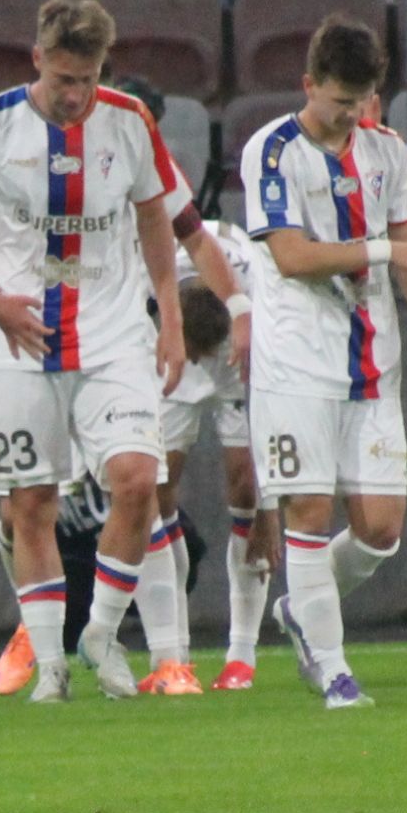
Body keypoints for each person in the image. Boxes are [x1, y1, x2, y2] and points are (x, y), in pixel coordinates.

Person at [0, 0, 186, 703]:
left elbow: (155, 215)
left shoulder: (130, 121)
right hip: (22, 334)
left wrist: (171, 317)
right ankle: (51, 665)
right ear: (36, 59)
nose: (75, 94)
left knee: (136, 481)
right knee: (31, 501)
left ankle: (100, 630)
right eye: (64, 77)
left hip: (115, 330)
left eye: (88, 78)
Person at [240, 14, 407, 709]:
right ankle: (334, 671)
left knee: (380, 530)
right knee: (307, 507)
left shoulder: (388, 153)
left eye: (362, 101)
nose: (350, 115)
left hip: (373, 364)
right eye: (338, 101)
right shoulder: (271, 152)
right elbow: (291, 256)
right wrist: (388, 252)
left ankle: (303, 610)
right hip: (296, 361)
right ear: (309, 85)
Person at [156, 221, 282, 693]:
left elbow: (271, 419)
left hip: (242, 349)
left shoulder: (258, 292)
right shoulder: (150, 267)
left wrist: (269, 511)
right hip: (168, 344)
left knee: (246, 487)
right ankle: (175, 654)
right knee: (157, 489)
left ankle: (241, 658)